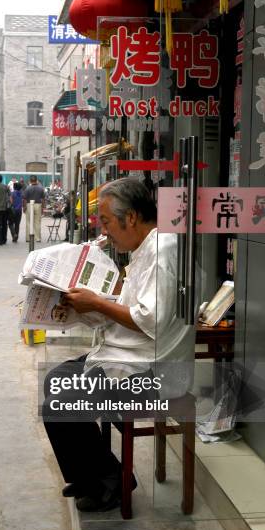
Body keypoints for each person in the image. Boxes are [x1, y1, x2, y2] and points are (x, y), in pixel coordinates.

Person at [42, 178, 195, 512]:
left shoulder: (163, 251)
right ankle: (99, 475)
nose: (105, 231)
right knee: (56, 379)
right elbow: (133, 308)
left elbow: (149, 318)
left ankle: (109, 482)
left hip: (154, 370)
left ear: (132, 218)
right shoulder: (148, 249)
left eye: (108, 222)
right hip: (130, 356)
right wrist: (87, 304)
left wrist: (97, 303)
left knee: (60, 403)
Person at [23, 175, 45, 242]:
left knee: (28, 222)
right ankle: (37, 238)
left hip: (29, 205)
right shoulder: (41, 188)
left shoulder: (27, 188)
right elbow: (43, 199)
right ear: (36, 180)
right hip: (38, 205)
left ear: (30, 180)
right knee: (37, 222)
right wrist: (42, 208)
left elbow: (24, 199)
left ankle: (28, 238)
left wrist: (24, 207)